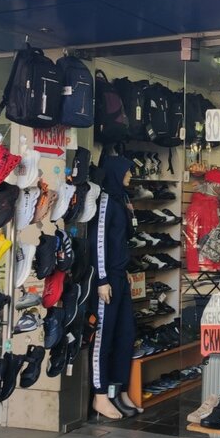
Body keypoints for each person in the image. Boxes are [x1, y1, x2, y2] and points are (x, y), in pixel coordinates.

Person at [90, 156, 144, 420]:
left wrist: (126, 270)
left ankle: (118, 390)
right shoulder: (105, 202)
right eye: (127, 171)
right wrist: (102, 279)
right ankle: (100, 395)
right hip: (108, 279)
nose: (130, 176)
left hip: (120, 276)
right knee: (104, 337)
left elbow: (121, 241)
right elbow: (99, 242)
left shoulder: (121, 199)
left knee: (125, 334)